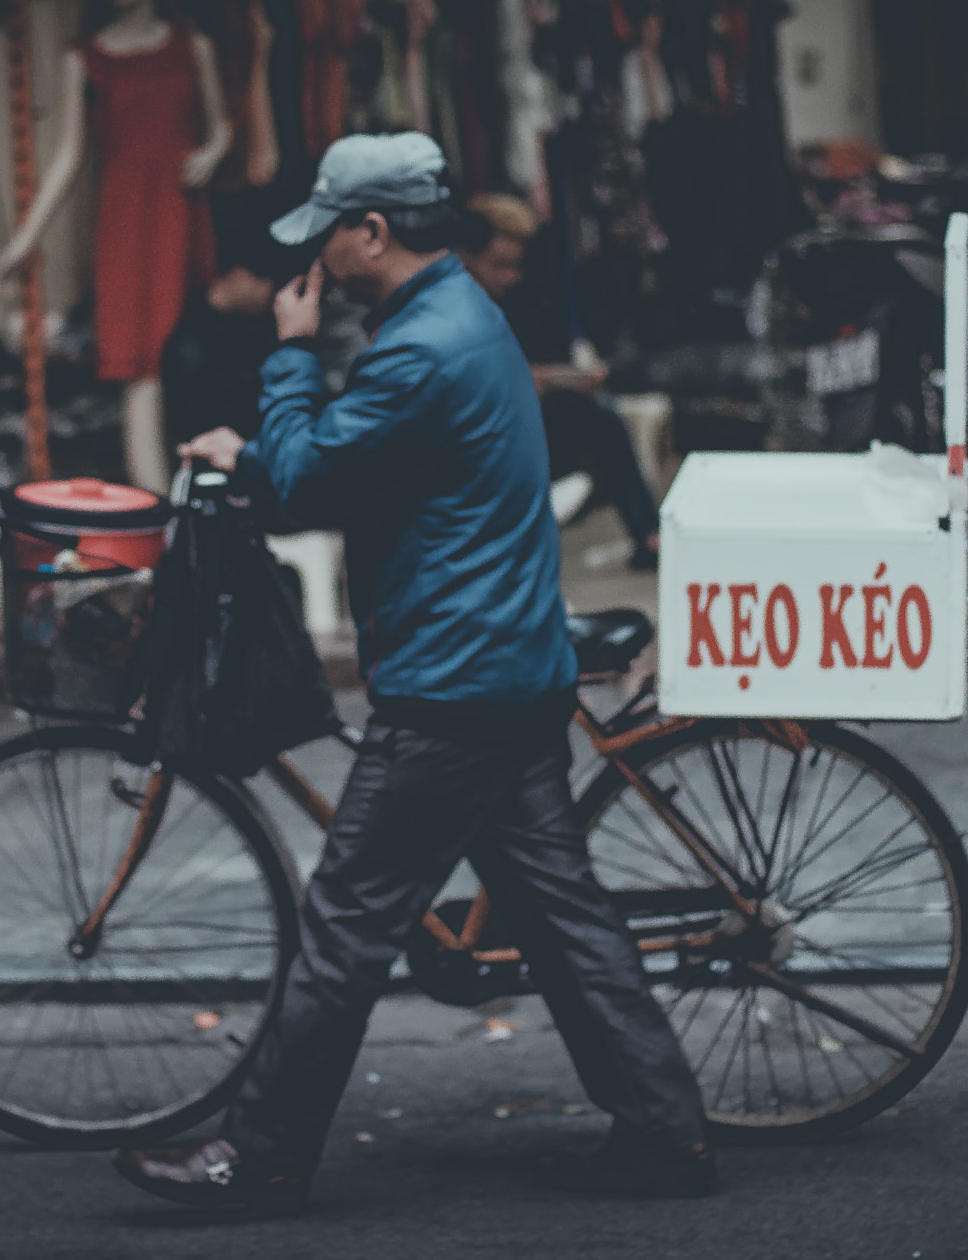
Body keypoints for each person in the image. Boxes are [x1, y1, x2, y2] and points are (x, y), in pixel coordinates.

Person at [117, 132, 713, 1215]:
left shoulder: (419, 348)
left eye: (327, 238)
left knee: (343, 925)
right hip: (504, 666)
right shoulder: (458, 315)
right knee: (563, 918)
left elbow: (304, 478)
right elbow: (364, 465)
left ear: (372, 232)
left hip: (453, 685)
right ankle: (665, 1135)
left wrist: (289, 356)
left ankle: (257, 1155)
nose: (316, 263)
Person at [0, 0, 231, 494]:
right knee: (137, 366)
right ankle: (161, 512)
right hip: (124, 218)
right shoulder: (86, 57)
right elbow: (70, 156)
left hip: (180, 210)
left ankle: (203, 500)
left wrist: (213, 152)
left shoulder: (192, 45)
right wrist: (27, 238)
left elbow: (222, 126)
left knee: (191, 353)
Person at [457, 193, 661, 569]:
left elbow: (545, 359)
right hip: (474, 427)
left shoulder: (522, 301)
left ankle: (648, 534)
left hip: (526, 417)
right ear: (467, 256)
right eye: (498, 265)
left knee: (598, 411)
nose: (510, 277)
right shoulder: (453, 308)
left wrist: (564, 379)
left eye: (515, 266)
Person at [158, 224, 293, 447]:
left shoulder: (252, 326)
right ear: (239, 274)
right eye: (263, 279)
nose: (269, 292)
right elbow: (192, 422)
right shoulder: (191, 342)